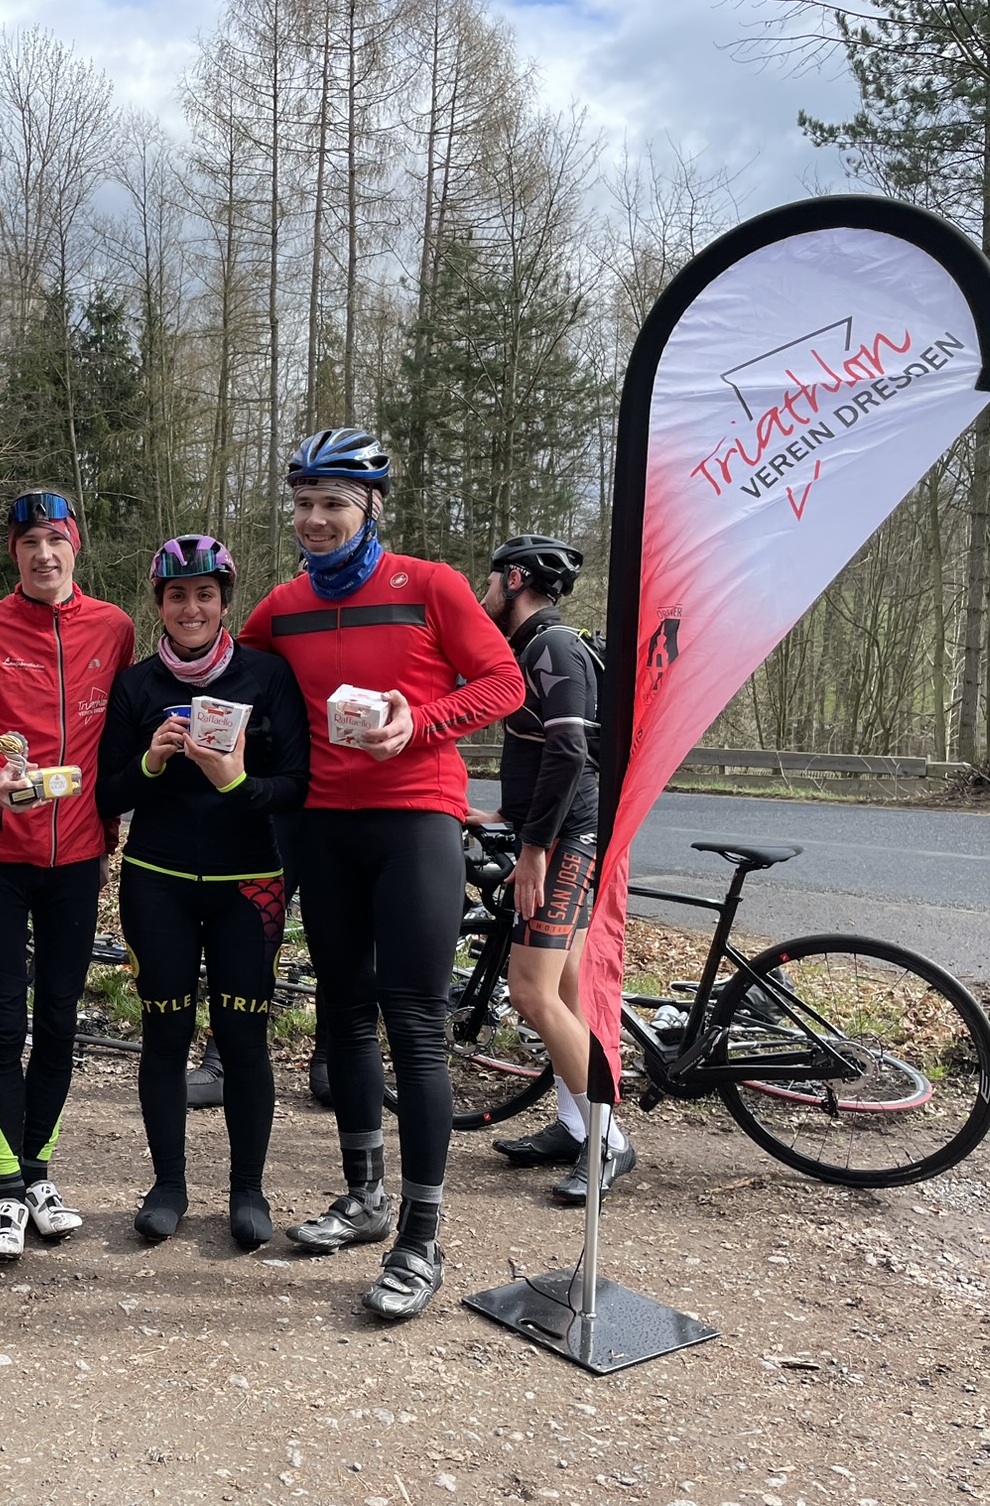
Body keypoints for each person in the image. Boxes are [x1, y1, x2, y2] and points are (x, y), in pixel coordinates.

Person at [240, 428, 522, 1320]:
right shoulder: (283, 605)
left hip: (414, 821)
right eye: (304, 503)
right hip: (323, 828)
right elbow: (236, 676)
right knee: (344, 1013)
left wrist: (420, 722)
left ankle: (420, 1235)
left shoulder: (429, 585)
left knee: (415, 1022)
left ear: (371, 508)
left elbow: (504, 683)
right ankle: (363, 1198)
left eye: (334, 503)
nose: (315, 519)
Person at [95, 535, 308, 1249]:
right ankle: (169, 1186)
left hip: (249, 883)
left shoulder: (267, 677)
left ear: (225, 602)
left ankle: (247, 1189)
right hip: (157, 882)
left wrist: (237, 782)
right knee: (166, 1035)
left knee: (244, 1038)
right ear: (159, 603)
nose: (191, 608)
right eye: (177, 595)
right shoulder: (136, 685)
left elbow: (297, 786)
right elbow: (107, 793)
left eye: (205, 595)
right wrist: (149, 764)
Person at [0, 491, 134, 1263]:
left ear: (75, 545)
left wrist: (110, 831)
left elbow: (117, 739)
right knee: (4, 1019)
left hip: (77, 860)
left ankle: (39, 1177)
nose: (43, 554)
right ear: (14, 553)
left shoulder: (115, 628)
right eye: (29, 542)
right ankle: (4, 1188)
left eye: (55, 539)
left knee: (59, 1019)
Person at [470, 535, 635, 1202]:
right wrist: (506, 816)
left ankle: (608, 1141)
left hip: (569, 840)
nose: (483, 591)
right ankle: (574, 1124)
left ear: (514, 580)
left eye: (489, 580)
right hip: (558, 832)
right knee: (564, 993)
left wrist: (535, 849)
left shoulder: (552, 645)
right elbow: (544, 748)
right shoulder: (533, 646)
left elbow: (569, 752)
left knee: (531, 992)